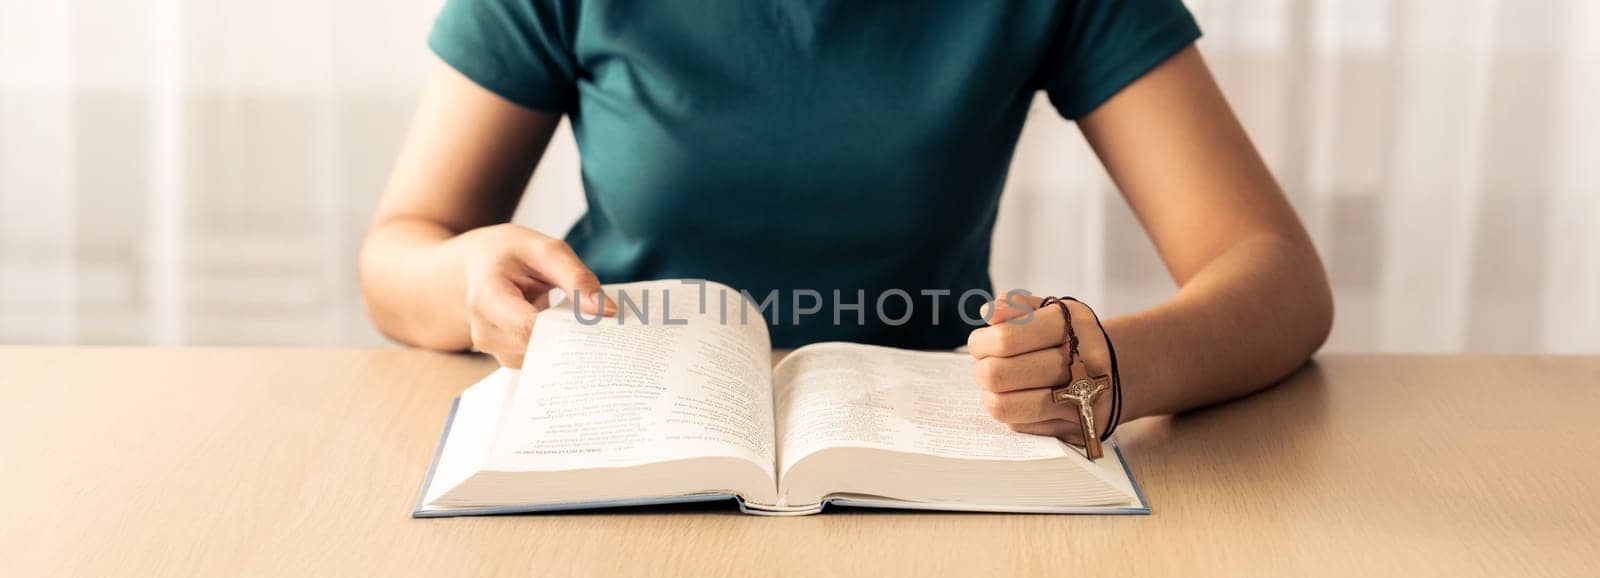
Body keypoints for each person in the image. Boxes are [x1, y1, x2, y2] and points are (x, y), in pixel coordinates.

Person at [360, 0, 1334, 443]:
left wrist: (1113, 367)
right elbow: (401, 246)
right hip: (619, 440)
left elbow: (1276, 275)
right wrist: (465, 279)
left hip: (920, 463)